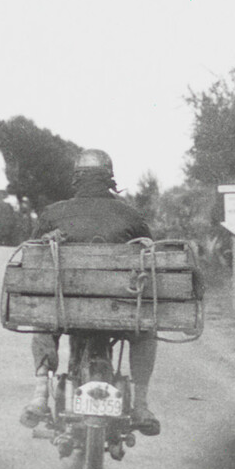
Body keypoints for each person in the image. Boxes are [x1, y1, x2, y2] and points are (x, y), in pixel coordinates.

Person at [20, 149, 162, 434]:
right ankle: (141, 403)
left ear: (76, 178)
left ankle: (39, 395)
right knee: (146, 330)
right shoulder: (130, 214)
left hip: (65, 310)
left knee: (44, 318)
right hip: (122, 311)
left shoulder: (53, 213)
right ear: (109, 177)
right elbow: (153, 258)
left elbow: (32, 265)